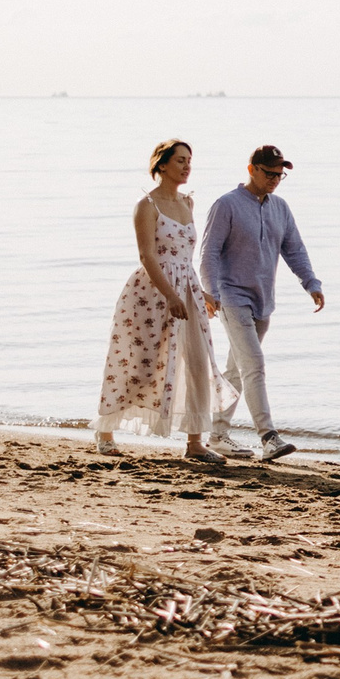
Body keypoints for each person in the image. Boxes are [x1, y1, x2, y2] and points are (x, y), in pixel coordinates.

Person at [94, 140, 224, 461]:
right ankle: (105, 429)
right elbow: (147, 256)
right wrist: (170, 295)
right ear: (162, 165)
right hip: (151, 293)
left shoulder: (188, 203)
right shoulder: (147, 205)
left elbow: (185, 258)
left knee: (198, 363)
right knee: (142, 363)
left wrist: (200, 293)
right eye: (180, 160)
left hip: (188, 292)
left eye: (189, 160)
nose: (187, 166)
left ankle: (195, 443)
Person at [201, 143, 326, 463]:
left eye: (279, 175)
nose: (274, 179)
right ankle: (269, 437)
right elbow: (209, 251)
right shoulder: (226, 205)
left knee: (237, 369)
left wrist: (311, 283)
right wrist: (209, 292)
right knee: (254, 364)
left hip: (263, 301)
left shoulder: (280, 208)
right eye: (269, 173)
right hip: (231, 297)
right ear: (251, 169)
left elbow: (294, 249)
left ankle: (217, 435)